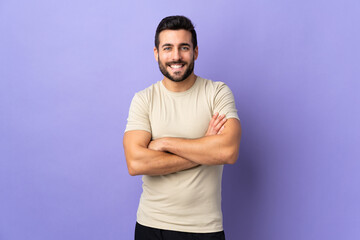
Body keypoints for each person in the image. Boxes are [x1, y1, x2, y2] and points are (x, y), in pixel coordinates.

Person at [123, 15, 241, 240]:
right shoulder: (144, 99)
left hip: (205, 228)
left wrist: (165, 143)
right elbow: (136, 162)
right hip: (151, 226)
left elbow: (227, 151)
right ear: (156, 53)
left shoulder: (217, 93)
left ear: (195, 52)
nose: (176, 56)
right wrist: (205, 149)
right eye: (168, 48)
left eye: (183, 47)